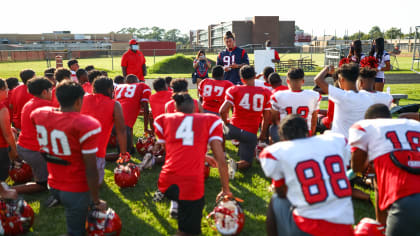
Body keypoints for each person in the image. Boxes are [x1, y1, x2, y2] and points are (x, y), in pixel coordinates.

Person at [31, 80, 107, 236]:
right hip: (75, 188)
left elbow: (39, 119)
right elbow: (91, 169)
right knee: (76, 232)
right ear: (79, 100)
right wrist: (96, 200)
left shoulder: (39, 114)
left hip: (53, 184)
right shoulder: (86, 124)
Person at [260, 114, 354, 236]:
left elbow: (281, 192)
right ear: (308, 133)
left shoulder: (277, 152)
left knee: (277, 199)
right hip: (344, 227)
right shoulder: (336, 141)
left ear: (283, 139)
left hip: (309, 228)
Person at [153, 93, 231, 236]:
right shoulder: (209, 120)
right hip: (190, 184)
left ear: (175, 108)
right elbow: (220, 159)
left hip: (167, 181)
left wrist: (202, 156)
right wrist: (225, 189)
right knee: (188, 232)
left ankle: (175, 206)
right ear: (195, 108)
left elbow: (172, 151)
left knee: (187, 222)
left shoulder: (163, 119)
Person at [349, 104, 420, 235]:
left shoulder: (364, 127)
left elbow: (357, 167)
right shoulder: (414, 125)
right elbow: (378, 185)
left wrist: (367, 165)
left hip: (406, 199)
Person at [220, 66, 271, 172]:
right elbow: (267, 117)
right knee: (247, 163)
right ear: (255, 77)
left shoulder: (235, 89)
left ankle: (222, 154)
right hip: (250, 133)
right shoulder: (265, 92)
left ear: (242, 79)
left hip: (233, 128)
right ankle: (236, 165)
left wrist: (226, 123)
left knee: (218, 129)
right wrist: (263, 134)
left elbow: (222, 111)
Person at [81, 76, 128, 184]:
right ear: (109, 89)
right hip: (95, 154)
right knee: (94, 184)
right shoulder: (115, 105)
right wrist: (123, 153)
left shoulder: (82, 99)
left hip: (74, 150)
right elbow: (121, 131)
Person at [314, 63, 373, 138]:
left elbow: (317, 80)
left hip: (341, 142)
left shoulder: (341, 96)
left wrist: (326, 68)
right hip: (359, 140)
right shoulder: (367, 97)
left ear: (341, 80)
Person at [15, 77, 52, 194]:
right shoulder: (44, 106)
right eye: (50, 90)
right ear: (45, 92)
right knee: (42, 185)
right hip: (34, 150)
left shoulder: (30, 103)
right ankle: (6, 190)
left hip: (23, 146)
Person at [271, 68, 321, 141]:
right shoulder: (313, 95)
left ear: (287, 81)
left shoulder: (278, 96)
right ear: (303, 81)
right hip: (305, 132)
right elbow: (314, 119)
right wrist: (311, 134)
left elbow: (275, 119)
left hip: (286, 133)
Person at [115, 74, 151, 155]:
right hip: (126, 113)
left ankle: (129, 148)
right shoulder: (142, 85)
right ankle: (123, 153)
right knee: (125, 129)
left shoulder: (119, 87)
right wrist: (145, 127)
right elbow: (145, 107)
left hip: (114, 112)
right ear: (136, 81)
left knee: (126, 127)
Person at [0, 79, 18, 181]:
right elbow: (7, 134)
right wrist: (14, 151)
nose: (7, 90)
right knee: (3, 177)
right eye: (5, 88)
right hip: (1, 147)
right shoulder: (2, 108)